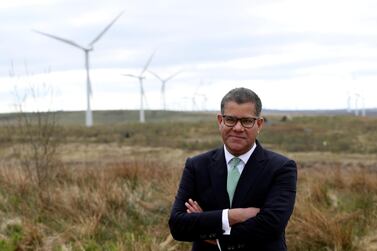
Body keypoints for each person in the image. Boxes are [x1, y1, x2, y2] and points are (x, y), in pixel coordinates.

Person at [169, 87, 297, 251]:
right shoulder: (196, 166)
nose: (237, 128)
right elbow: (178, 225)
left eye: (247, 121)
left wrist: (210, 230)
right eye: (230, 119)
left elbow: (271, 225)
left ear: (259, 124)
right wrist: (232, 216)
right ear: (220, 121)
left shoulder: (281, 168)